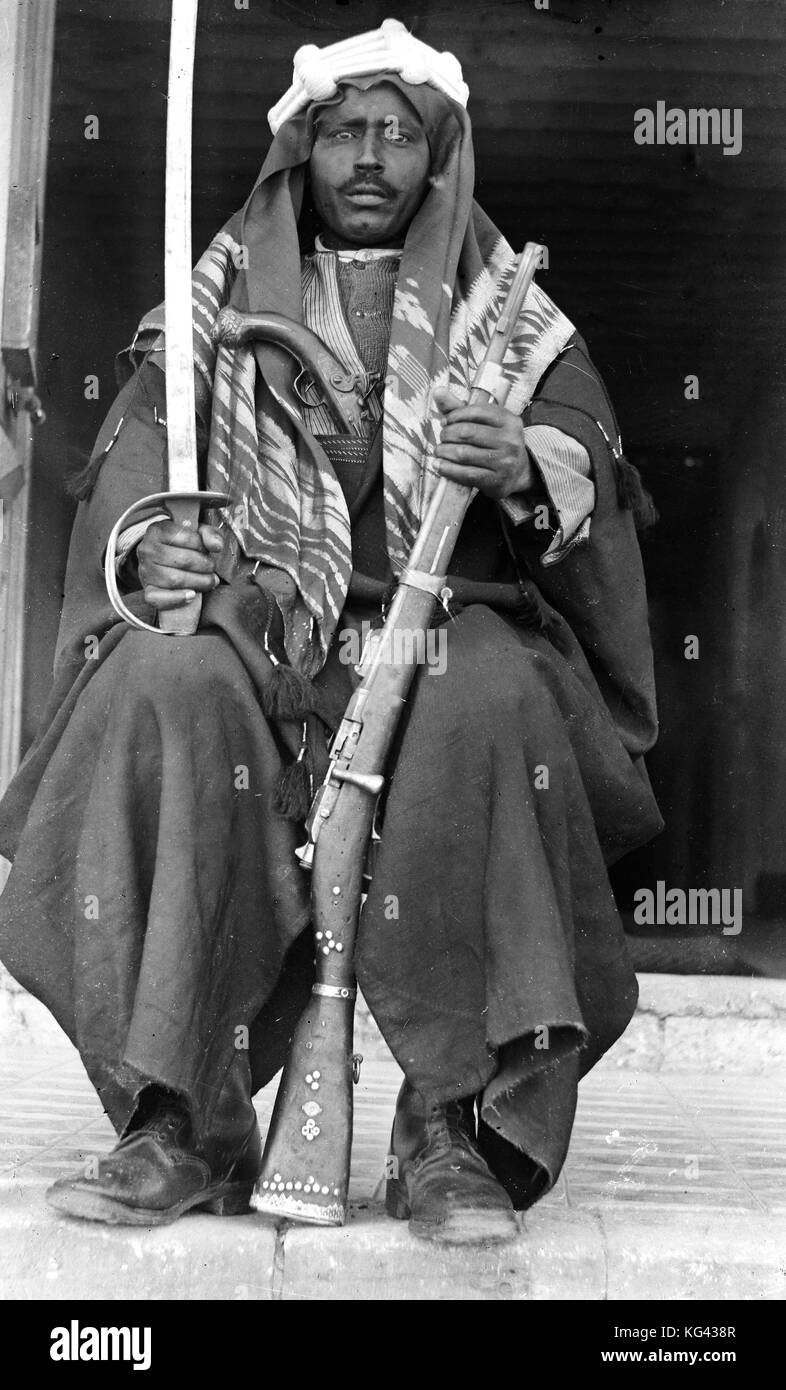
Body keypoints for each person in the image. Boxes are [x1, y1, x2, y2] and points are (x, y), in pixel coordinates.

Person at [0, 19, 662, 1243]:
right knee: (162, 677)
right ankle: (182, 1116)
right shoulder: (210, 302)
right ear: (301, 151)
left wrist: (521, 464)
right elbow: (135, 478)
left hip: (433, 633)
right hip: (263, 636)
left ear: (437, 157)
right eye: (344, 132)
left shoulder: (509, 316)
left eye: (398, 136)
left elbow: (591, 471)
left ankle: (448, 1128)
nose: (369, 158)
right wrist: (154, 550)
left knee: (493, 697)